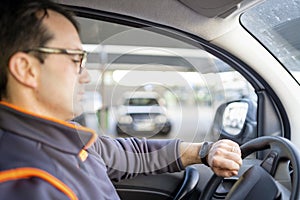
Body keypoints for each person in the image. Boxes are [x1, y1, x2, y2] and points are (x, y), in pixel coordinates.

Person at [0, 0, 242, 199]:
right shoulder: (26, 182)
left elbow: (131, 153)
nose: (85, 76)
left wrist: (205, 151)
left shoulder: (65, 138)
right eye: (76, 59)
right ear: (26, 69)